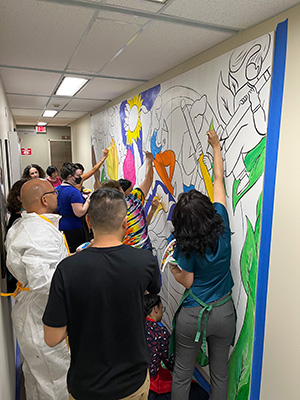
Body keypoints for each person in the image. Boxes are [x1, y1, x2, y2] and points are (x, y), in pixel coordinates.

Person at [43, 187, 160, 400]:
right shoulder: (145, 262)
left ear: (88, 222)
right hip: (132, 382)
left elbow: (52, 338)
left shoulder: (67, 269)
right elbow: (153, 290)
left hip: (87, 385)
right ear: (125, 224)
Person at [170, 129, 236, 400]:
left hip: (193, 315)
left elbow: (187, 281)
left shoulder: (184, 244)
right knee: (220, 375)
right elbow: (218, 179)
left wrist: (172, 267)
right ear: (208, 209)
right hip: (223, 312)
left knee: (183, 373)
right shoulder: (221, 221)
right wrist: (216, 147)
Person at [5, 178, 70, 400]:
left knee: (37, 379)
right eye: (54, 192)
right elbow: (43, 282)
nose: (57, 195)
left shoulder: (28, 225)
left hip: (32, 312)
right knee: (55, 383)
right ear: (44, 199)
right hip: (41, 316)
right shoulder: (38, 232)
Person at [144, 294, 209, 400]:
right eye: (162, 309)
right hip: (149, 387)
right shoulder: (159, 333)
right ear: (155, 309)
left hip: (131, 381)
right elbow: (172, 364)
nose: (162, 313)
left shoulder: (137, 327)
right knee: (200, 394)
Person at [57, 162, 90, 252]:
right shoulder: (73, 192)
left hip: (60, 224)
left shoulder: (57, 189)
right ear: (70, 176)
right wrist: (88, 201)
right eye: (78, 175)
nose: (80, 177)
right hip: (73, 227)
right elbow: (79, 212)